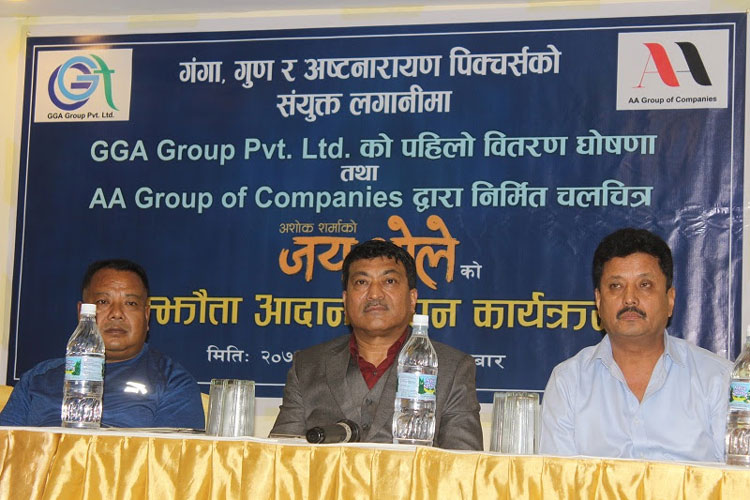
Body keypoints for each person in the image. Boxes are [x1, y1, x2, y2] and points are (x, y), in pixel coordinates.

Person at [539, 228, 732, 462]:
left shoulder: (718, 378)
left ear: (670, 300)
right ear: (598, 301)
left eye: (645, 285)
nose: (629, 298)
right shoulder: (568, 382)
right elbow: (557, 478)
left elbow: (738, 477)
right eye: (616, 286)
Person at [270, 240, 483, 449]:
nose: (374, 294)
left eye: (389, 281)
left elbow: (463, 463)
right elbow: (280, 455)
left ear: (412, 299)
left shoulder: (451, 368)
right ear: (345, 300)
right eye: (361, 282)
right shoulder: (307, 365)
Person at [0, 259, 205, 429]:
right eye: (103, 302)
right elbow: (6, 447)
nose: (116, 314)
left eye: (130, 303)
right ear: (82, 313)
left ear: (146, 315)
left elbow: (171, 458)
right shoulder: (37, 378)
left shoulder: (173, 382)